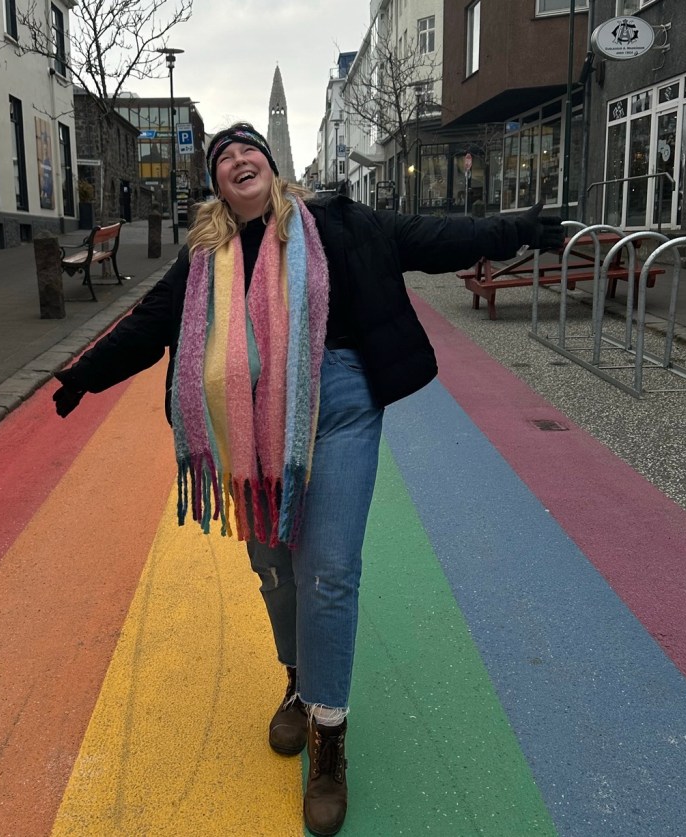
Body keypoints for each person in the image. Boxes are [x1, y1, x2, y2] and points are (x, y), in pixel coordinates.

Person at [52, 123, 564, 836]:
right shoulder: (205, 258)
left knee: (327, 572)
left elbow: (434, 238)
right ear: (216, 185)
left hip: (341, 404)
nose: (239, 159)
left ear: (270, 165)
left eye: (249, 150)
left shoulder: (337, 223)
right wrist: (84, 374)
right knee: (274, 570)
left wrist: (522, 230)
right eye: (224, 157)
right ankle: (298, 680)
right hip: (253, 421)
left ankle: (329, 734)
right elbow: (150, 324)